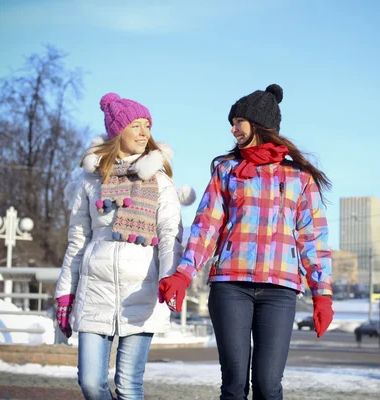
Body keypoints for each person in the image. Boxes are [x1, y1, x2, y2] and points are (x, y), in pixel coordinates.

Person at [158, 84, 334, 399]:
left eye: (239, 121)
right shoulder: (226, 170)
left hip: (279, 291)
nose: (233, 128)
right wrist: (184, 274)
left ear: (259, 124)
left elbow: (313, 238)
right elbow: (206, 226)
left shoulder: (298, 178)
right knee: (234, 385)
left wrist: (322, 294)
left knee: (268, 385)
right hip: (230, 285)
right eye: (233, 122)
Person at [55, 93, 194, 400]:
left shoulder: (160, 182)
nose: (145, 132)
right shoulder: (91, 182)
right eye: (136, 125)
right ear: (118, 131)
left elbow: (171, 235)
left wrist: (170, 278)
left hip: (141, 292)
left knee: (129, 386)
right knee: (91, 383)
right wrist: (65, 292)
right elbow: (77, 240)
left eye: (148, 125)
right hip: (94, 292)